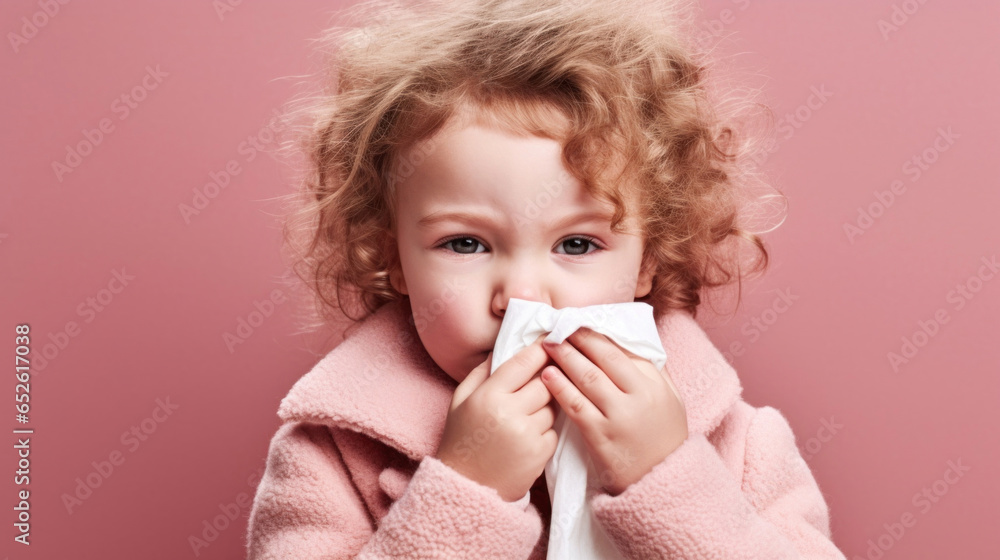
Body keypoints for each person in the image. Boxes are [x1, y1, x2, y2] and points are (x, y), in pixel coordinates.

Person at [245, 0, 847, 557]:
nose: (523, 296)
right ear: (394, 259)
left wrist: (670, 481)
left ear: (648, 261)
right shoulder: (329, 455)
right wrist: (466, 491)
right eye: (465, 243)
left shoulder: (742, 446)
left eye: (577, 244)